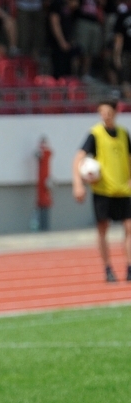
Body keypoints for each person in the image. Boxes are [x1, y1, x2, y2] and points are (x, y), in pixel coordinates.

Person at [72, 99, 131, 281]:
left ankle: (129, 267)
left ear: (116, 112)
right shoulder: (95, 134)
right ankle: (108, 268)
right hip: (103, 191)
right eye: (102, 112)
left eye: (108, 112)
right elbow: (78, 159)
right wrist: (78, 184)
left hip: (124, 190)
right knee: (103, 229)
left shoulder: (123, 134)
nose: (105, 115)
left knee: (129, 228)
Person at [48, 0, 81, 78]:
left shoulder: (69, 6)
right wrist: (61, 41)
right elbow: (54, 22)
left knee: (68, 72)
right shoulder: (57, 4)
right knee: (58, 71)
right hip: (58, 43)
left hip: (68, 42)